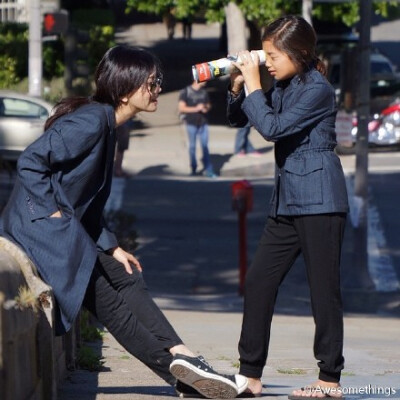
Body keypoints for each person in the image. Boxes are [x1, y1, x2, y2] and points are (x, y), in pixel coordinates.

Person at [0, 45, 247, 399]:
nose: (158, 88)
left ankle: (184, 358)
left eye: (158, 81)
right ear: (125, 87)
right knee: (113, 308)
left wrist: (112, 246)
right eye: (151, 82)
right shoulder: (91, 120)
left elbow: (87, 207)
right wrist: (52, 213)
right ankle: (182, 377)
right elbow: (30, 161)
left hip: (64, 232)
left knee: (127, 275)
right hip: (41, 233)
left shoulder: (105, 122)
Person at [227, 16, 349, 399]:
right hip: (287, 200)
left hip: (320, 197)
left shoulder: (317, 90)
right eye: (265, 55)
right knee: (259, 281)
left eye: (274, 55)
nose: (268, 62)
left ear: (300, 53)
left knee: (322, 290)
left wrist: (253, 87)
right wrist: (239, 89)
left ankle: (329, 379)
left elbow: (273, 129)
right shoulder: (282, 84)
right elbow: (239, 119)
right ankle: (250, 375)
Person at [178, 80, 217, 178]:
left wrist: (205, 108)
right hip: (191, 123)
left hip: (203, 123)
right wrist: (196, 108)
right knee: (192, 147)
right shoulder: (186, 91)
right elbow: (181, 108)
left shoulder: (203, 92)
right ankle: (194, 168)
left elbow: (208, 104)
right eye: (203, 79)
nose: (206, 81)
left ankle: (209, 169)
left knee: (205, 146)